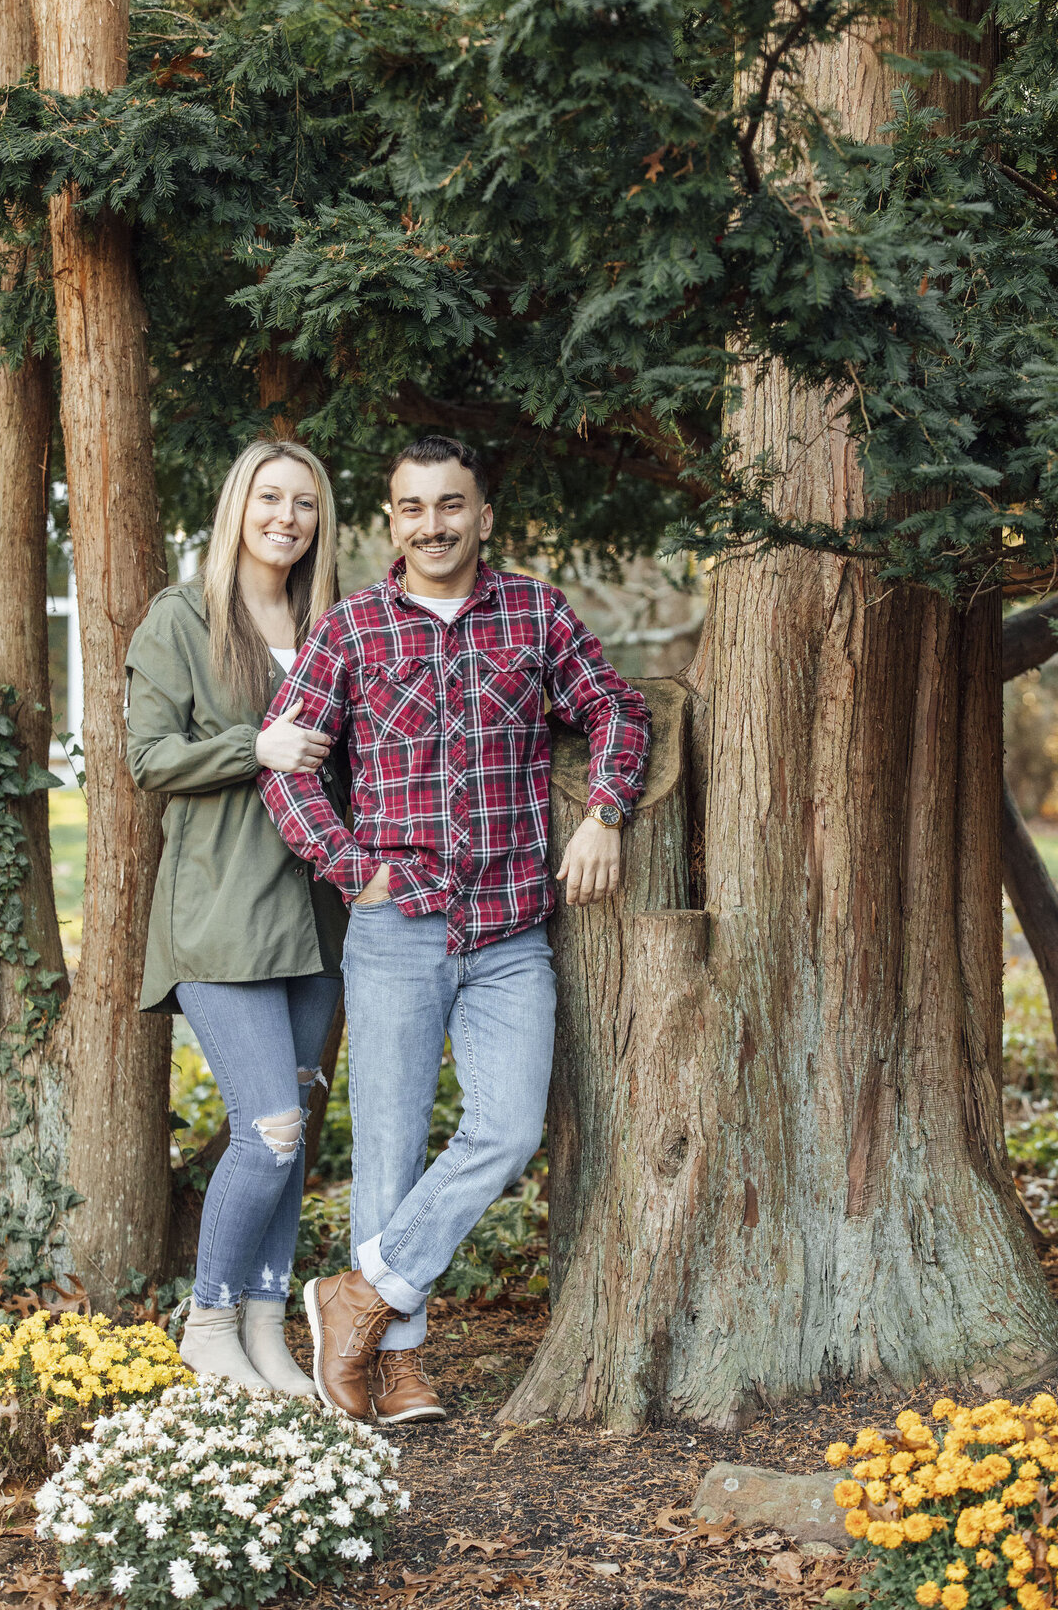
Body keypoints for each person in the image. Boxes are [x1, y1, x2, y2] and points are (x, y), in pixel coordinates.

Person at [259, 434, 651, 1423]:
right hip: (396, 928)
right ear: (392, 519)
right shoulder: (351, 629)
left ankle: (357, 1297)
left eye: (450, 505)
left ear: (483, 515)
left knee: (508, 1127)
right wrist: (354, 867)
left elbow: (615, 708)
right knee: (386, 1148)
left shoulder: (533, 611)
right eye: (411, 507)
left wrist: (606, 812)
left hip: (511, 929)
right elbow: (290, 766)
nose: (431, 524)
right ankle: (395, 1364)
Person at [126, 438, 348, 1395]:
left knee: (298, 1121)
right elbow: (149, 758)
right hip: (222, 910)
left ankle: (266, 1327)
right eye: (270, 498)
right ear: (238, 506)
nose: (286, 517)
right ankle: (209, 1323)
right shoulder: (183, 617)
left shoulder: (331, 621)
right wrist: (256, 744)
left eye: (304, 502)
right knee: (271, 1131)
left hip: (320, 913)